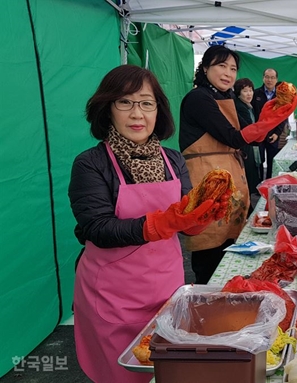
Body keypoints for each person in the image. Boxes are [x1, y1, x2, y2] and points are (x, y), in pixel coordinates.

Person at [69, 65, 227, 383]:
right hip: (112, 298)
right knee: (122, 374)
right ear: (107, 108)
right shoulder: (91, 164)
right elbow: (97, 227)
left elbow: (184, 218)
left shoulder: (173, 160)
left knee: (170, 370)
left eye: (146, 102)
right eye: (125, 102)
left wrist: (200, 218)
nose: (137, 113)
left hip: (166, 289)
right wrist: (161, 223)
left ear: (158, 110)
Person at [180, 47, 297, 284]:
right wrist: (270, 121)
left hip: (230, 174)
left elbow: (253, 134)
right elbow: (233, 137)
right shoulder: (198, 98)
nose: (228, 73)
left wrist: (268, 116)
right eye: (221, 66)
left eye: (232, 68)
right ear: (205, 68)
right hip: (207, 176)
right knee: (209, 246)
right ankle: (206, 295)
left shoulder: (228, 97)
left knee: (228, 244)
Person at [253, 68, 287, 179]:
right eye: (267, 77)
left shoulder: (281, 96)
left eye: (272, 77)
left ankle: (269, 184)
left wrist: (277, 133)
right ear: (263, 78)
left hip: (273, 134)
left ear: (276, 79)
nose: (269, 80)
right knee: (259, 160)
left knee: (272, 161)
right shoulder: (255, 94)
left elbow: (283, 116)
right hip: (259, 134)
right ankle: (258, 185)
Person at [233, 77, 262, 210]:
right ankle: (247, 207)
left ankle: (249, 204)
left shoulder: (248, 106)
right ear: (238, 93)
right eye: (245, 91)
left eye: (250, 90)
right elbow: (247, 128)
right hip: (245, 145)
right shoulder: (239, 107)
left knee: (251, 172)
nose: (249, 94)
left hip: (250, 144)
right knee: (247, 174)